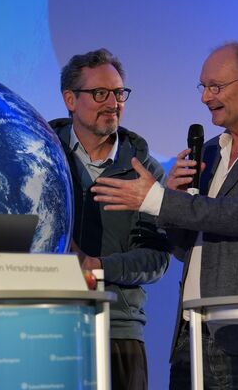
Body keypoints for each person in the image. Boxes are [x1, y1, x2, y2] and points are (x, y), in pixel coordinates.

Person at [91, 41, 238, 389]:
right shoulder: (210, 151)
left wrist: (159, 200)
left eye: (216, 87)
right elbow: (188, 249)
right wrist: (176, 200)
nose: (204, 97)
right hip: (191, 334)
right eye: (203, 87)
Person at [49, 48, 170, 390]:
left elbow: (156, 258)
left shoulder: (144, 171)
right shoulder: (40, 157)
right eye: (100, 93)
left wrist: (95, 266)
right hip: (45, 323)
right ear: (70, 99)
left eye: (118, 93)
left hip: (118, 329)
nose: (113, 103)